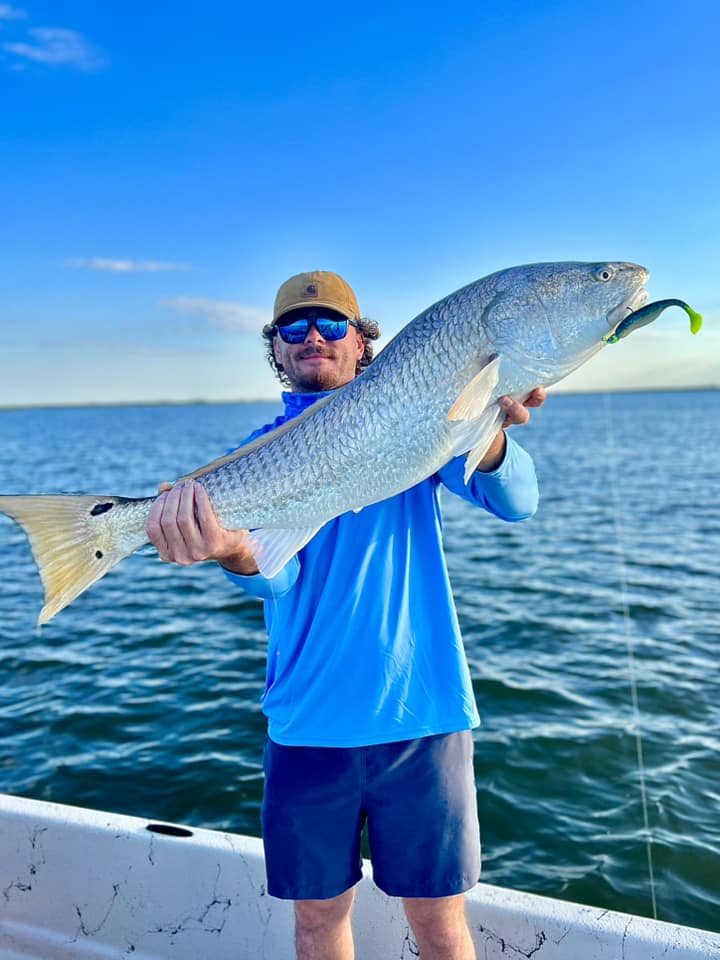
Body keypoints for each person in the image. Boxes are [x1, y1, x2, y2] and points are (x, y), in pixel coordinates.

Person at [146, 270, 546, 960]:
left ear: (363, 344)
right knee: (317, 924)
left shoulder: (427, 420)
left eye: (332, 325)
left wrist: (492, 432)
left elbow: (516, 503)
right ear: (275, 349)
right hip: (307, 726)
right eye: (293, 328)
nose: (313, 338)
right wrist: (234, 555)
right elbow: (278, 577)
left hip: (421, 719)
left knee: (441, 927)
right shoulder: (260, 452)